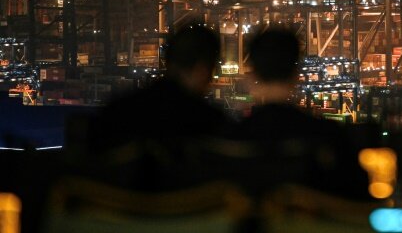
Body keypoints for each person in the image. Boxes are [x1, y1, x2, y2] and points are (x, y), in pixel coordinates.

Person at [80, 22, 233, 189]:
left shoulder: (118, 110)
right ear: (202, 69)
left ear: (167, 61)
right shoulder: (213, 123)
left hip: (120, 209)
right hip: (191, 210)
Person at [238, 25, 369, 200]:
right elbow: (359, 195)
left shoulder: (230, 138)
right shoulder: (329, 136)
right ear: (296, 74)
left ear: (252, 75)